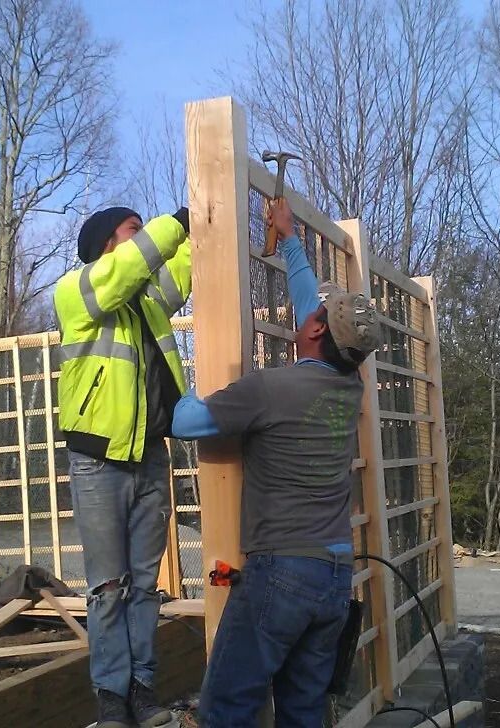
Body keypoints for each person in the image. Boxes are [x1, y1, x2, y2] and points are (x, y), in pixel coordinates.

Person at [172, 198, 384, 727]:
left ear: (315, 332)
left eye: (313, 313)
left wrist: (167, 351)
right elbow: (317, 310)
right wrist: (289, 239)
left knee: (228, 707)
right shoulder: (347, 387)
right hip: (335, 577)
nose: (308, 310)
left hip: (282, 573)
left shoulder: (271, 389)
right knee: (304, 711)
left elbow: (186, 422)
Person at [53, 204, 192, 728]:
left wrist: (205, 221)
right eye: (135, 231)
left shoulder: (148, 304)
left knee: (143, 586)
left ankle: (142, 690)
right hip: (98, 462)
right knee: (107, 587)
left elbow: (182, 267)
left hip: (150, 457)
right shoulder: (78, 291)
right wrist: (175, 220)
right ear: (108, 244)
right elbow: (136, 263)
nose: (145, 242)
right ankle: (111, 699)